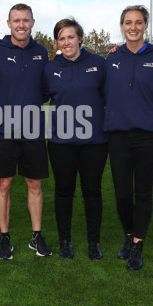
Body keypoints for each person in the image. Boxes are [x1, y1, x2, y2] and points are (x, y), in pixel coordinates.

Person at [0, 3, 52, 260]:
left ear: (33, 22)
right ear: (9, 23)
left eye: (26, 20)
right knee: (5, 184)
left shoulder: (41, 52)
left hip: (33, 130)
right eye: (16, 20)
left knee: (34, 183)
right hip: (3, 132)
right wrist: (0, 116)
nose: (21, 24)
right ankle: (4, 237)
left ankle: (36, 235)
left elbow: (45, 90)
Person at [104, 5, 153, 270]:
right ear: (121, 26)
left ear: (145, 26)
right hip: (118, 134)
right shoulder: (110, 58)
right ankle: (129, 235)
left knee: (143, 191)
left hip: (149, 135)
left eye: (139, 22)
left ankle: (137, 243)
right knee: (122, 193)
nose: (133, 27)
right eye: (128, 22)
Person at [44, 18, 108, 260]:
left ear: (80, 38)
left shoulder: (99, 63)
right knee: (64, 192)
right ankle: (65, 242)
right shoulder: (50, 68)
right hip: (61, 143)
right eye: (61, 38)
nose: (66, 42)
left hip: (95, 142)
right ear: (57, 42)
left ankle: (94, 243)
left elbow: (110, 96)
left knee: (92, 191)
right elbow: (37, 96)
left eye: (71, 37)